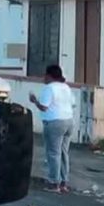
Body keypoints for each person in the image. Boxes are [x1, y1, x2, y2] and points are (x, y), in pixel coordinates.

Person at [29, 65, 75, 193]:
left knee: (53, 153)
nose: (44, 77)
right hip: (69, 121)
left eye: (45, 75)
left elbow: (44, 107)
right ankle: (64, 182)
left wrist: (34, 101)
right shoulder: (66, 87)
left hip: (54, 122)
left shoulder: (49, 88)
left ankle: (54, 182)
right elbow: (73, 103)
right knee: (64, 152)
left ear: (50, 76)